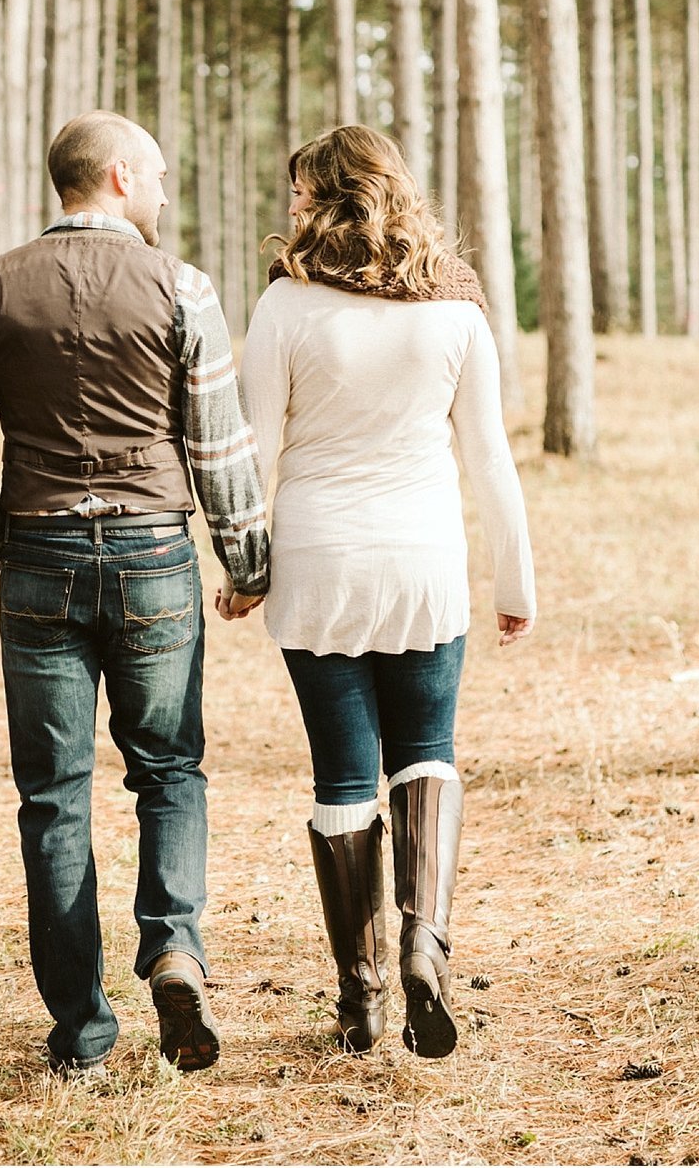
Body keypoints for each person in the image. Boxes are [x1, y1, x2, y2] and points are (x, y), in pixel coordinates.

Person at [0, 111, 272, 1081]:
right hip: (154, 554)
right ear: (118, 177)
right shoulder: (184, 287)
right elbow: (216, 445)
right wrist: (246, 561)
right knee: (167, 769)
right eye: (158, 177)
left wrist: (0, 533)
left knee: (52, 796)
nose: (166, 194)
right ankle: (172, 948)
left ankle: (81, 1029)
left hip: (38, 556)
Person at [227, 124, 535, 1059]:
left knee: (343, 776)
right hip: (424, 561)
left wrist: (244, 567)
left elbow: (256, 449)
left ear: (333, 196)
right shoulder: (456, 308)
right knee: (428, 754)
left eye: (300, 194)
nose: (290, 211)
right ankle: (423, 945)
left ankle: (359, 995)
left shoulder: (286, 305)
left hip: (322, 561)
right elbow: (489, 455)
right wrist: (514, 575)